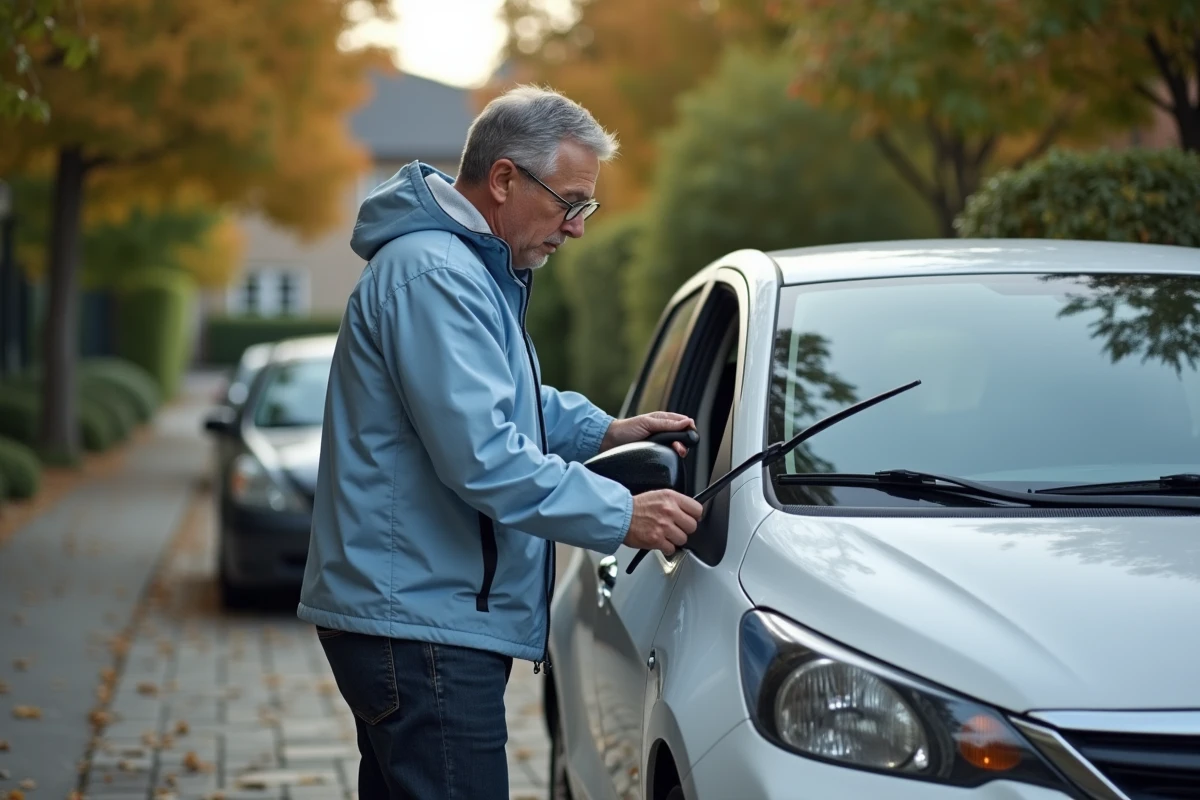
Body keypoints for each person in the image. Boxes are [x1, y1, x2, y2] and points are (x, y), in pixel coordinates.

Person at [297, 85, 705, 799]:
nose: (576, 227)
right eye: (570, 201)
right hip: (424, 624)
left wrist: (600, 430)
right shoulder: (437, 275)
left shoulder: (460, 269)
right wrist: (622, 515)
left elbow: (497, 402)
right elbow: (483, 454)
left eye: (587, 206)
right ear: (506, 178)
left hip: (420, 614)